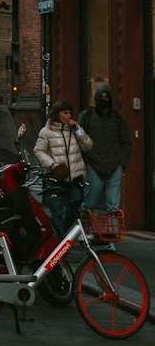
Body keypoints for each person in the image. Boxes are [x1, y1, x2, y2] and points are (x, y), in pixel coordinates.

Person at [34, 100, 93, 237]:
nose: (69, 116)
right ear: (57, 114)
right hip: (56, 178)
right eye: (65, 113)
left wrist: (78, 130)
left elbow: (88, 146)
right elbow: (38, 151)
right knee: (57, 212)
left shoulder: (73, 130)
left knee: (74, 211)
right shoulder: (46, 131)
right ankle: (59, 245)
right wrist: (53, 165)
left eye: (70, 113)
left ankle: (62, 237)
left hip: (74, 179)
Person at [79, 83, 132, 214]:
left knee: (113, 206)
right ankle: (85, 231)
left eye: (106, 96)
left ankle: (112, 232)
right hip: (93, 165)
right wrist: (87, 163)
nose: (104, 99)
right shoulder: (87, 116)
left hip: (114, 166)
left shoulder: (117, 118)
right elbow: (78, 140)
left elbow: (126, 142)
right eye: (101, 96)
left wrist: (121, 164)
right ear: (96, 98)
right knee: (88, 203)